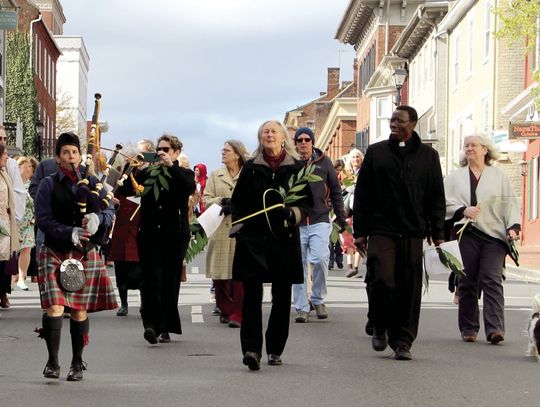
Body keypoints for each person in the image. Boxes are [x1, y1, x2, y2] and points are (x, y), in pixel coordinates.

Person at [353, 105, 445, 361]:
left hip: (413, 231)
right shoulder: (376, 152)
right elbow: (362, 194)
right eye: (392, 120)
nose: (394, 124)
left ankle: (403, 341)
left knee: (409, 288)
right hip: (382, 229)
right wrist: (360, 231)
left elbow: (436, 196)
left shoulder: (429, 156)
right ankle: (379, 324)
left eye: (399, 121)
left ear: (413, 124)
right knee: (382, 279)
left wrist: (437, 232)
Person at [35, 132, 117, 381]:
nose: (71, 156)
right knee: (55, 307)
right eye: (65, 152)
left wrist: (97, 219)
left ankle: (78, 363)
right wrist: (70, 232)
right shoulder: (48, 184)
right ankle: (52, 362)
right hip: (55, 250)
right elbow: (44, 220)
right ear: (58, 158)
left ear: (81, 156)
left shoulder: (95, 183)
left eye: (74, 152)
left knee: (79, 310)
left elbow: (110, 211)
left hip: (85, 252)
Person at [230, 120, 312, 371]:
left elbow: (308, 203)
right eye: (265, 131)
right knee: (252, 296)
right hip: (254, 240)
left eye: (274, 131)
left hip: (283, 239)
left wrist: (292, 215)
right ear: (260, 138)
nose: (269, 135)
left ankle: (275, 348)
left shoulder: (296, 167)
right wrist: (240, 227)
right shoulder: (251, 168)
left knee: (281, 296)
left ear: (283, 137)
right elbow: (238, 203)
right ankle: (252, 349)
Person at [444, 134, 520, 345]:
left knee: (491, 278)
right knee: (467, 280)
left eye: (474, 145)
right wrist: (461, 210)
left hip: (494, 235)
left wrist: (513, 226)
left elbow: (510, 203)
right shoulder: (454, 177)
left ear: (485, 150)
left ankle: (495, 328)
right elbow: (444, 203)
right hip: (466, 234)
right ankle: (469, 328)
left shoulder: (499, 176)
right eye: (466, 145)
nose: (469, 148)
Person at [119, 134, 195, 344]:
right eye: (159, 150)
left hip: (175, 234)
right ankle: (151, 325)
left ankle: (166, 326)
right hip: (150, 233)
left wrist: (171, 166)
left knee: (169, 280)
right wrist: (132, 168)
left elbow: (189, 187)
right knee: (150, 279)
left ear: (176, 152)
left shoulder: (183, 173)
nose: (162, 153)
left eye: (167, 149)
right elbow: (124, 189)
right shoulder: (146, 174)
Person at [292, 127, 346, 323]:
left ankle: (318, 299)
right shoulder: (290, 163)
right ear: (295, 142)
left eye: (307, 139)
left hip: (319, 219)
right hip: (296, 222)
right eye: (300, 140)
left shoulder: (324, 162)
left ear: (312, 142)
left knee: (320, 258)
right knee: (298, 265)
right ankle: (301, 306)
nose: (303, 143)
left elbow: (336, 190)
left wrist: (341, 217)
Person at [203, 140, 249, 328]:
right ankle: (224, 308)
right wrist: (222, 200)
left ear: (237, 154)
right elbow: (206, 200)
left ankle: (238, 313)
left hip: (241, 229)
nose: (223, 153)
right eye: (222, 150)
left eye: (227, 150)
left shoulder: (248, 174)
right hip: (220, 229)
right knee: (220, 275)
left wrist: (239, 205)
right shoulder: (215, 175)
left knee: (239, 275)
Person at [109, 139, 155, 317]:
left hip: (141, 221)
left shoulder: (149, 173)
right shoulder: (125, 172)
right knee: (121, 264)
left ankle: (144, 302)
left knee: (141, 264)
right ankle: (124, 303)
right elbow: (117, 191)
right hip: (123, 220)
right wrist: (114, 199)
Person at [0, 144, 20, 309]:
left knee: (4, 261)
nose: (7, 157)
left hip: (5, 224)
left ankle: (2, 292)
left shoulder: (4, 174)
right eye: (4, 154)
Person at [342, 149, 364, 278]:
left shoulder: (366, 171)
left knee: (360, 238)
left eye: (358, 157)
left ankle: (356, 267)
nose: (356, 159)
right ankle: (349, 266)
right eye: (354, 157)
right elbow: (348, 187)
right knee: (347, 238)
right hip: (347, 210)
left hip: (361, 210)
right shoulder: (346, 172)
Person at [15, 157, 36, 290]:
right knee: (11, 251)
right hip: (15, 223)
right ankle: (11, 276)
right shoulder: (14, 184)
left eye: (30, 166)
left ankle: (22, 278)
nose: (29, 168)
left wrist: (34, 218)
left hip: (28, 223)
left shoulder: (32, 185)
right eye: (25, 166)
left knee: (26, 249)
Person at [328, 158, 345, 271]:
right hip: (329, 211)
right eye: (337, 170)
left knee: (338, 238)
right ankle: (331, 261)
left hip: (339, 211)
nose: (338, 172)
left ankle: (339, 259)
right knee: (330, 239)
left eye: (340, 170)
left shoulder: (345, 180)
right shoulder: (329, 179)